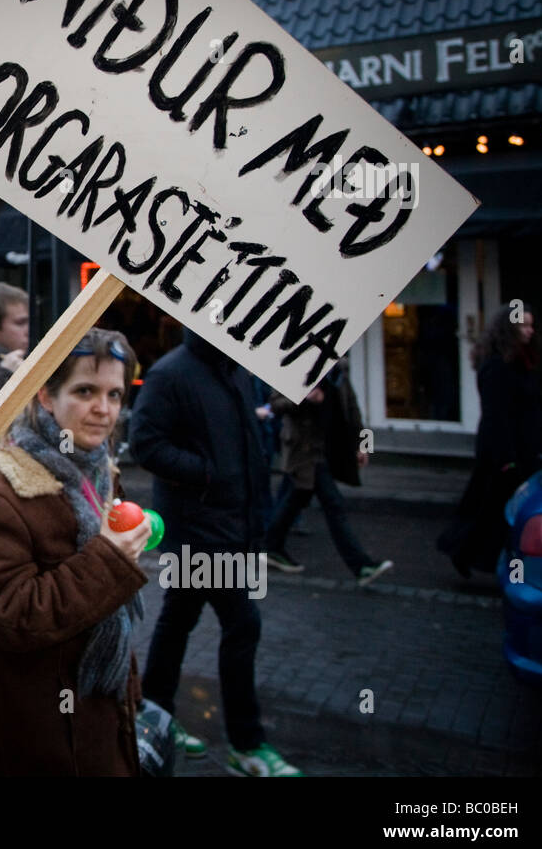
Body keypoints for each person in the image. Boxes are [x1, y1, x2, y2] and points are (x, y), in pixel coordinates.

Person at [0, 328, 151, 775]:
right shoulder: (0, 495)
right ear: (45, 395)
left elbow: (110, 613)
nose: (104, 410)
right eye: (85, 391)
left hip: (97, 713)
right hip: (38, 734)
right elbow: (8, 617)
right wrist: (110, 559)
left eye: (115, 394)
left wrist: (128, 690)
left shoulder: (99, 469)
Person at [130, 328, 302, 777]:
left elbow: (245, 449)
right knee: (242, 624)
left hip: (232, 525)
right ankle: (245, 745)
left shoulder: (237, 369)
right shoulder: (170, 374)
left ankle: (154, 716)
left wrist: (255, 517)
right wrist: (206, 473)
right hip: (198, 529)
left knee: (178, 619)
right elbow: (145, 442)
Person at [440, 307, 542, 577]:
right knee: (491, 508)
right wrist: (507, 459)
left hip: (522, 447)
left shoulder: (522, 362)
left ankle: (470, 554)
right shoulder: (497, 366)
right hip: (504, 451)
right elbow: (496, 415)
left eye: (530, 326)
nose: (529, 331)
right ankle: (470, 554)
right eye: (524, 326)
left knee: (491, 508)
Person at [262, 360, 392, 585]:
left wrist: (364, 445)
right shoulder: (294, 365)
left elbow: (353, 410)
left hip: (329, 451)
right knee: (334, 505)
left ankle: (270, 547)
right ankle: (361, 566)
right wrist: (306, 398)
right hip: (305, 453)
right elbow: (275, 405)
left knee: (296, 500)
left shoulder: (338, 372)